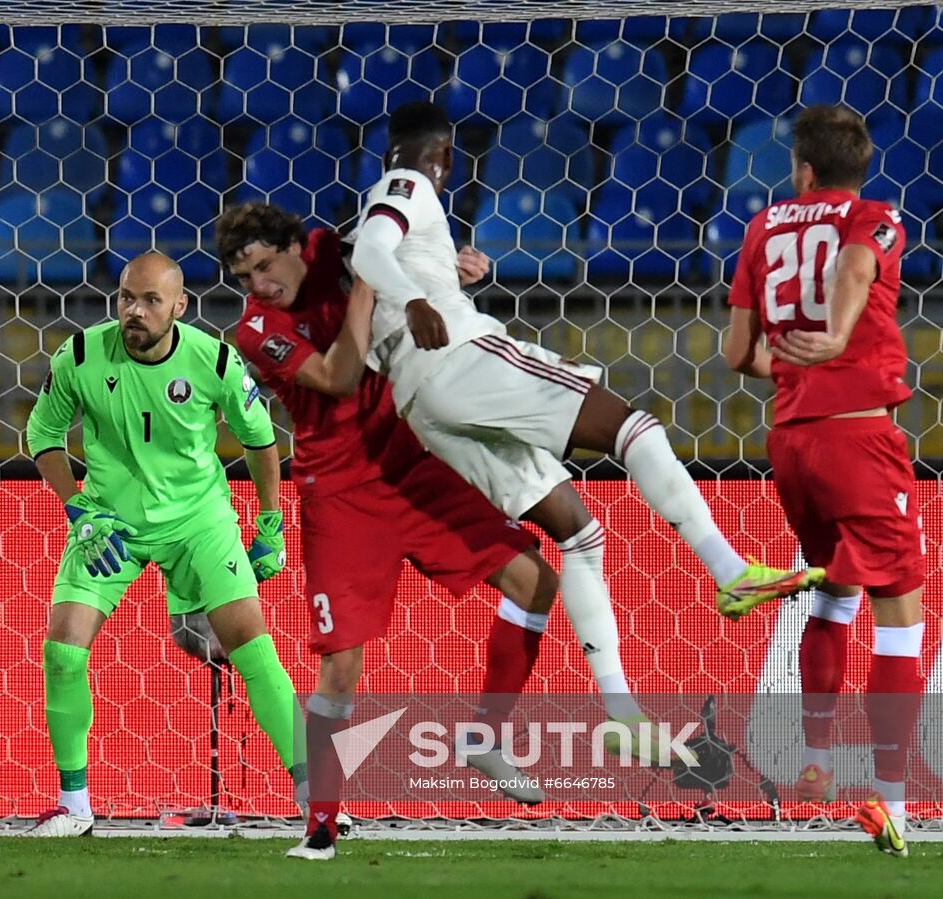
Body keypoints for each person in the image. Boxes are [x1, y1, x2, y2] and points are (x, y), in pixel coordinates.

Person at [347, 100, 822, 626]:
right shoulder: (407, 184)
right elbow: (370, 251)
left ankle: (621, 706)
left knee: (580, 536)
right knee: (635, 429)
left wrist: (441, 279)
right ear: (447, 154)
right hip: (460, 360)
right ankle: (729, 570)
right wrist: (418, 299)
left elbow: (371, 286)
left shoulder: (379, 204)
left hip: (420, 404)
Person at [218, 203, 559, 860]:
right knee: (343, 665)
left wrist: (445, 275)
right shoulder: (257, 330)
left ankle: (485, 738)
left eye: (265, 265)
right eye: (245, 276)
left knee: (534, 580)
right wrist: (375, 281)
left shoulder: (331, 247)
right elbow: (339, 375)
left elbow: (404, 246)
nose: (259, 284)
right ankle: (320, 824)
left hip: (412, 463)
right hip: (340, 492)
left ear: (295, 244)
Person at [23, 252, 301, 836]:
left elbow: (259, 440)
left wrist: (270, 523)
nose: (134, 311)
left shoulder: (215, 361)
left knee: (251, 645)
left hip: (198, 522)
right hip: (109, 525)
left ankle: (320, 797)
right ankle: (74, 808)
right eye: (127, 297)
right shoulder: (78, 356)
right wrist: (78, 509)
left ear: (180, 306)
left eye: (151, 300)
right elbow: (42, 434)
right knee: (62, 651)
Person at [723, 104, 924, 858]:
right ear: (858, 165)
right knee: (902, 612)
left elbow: (737, 352)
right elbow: (855, 262)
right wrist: (837, 339)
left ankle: (814, 756)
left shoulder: (760, 228)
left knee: (835, 593)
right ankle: (896, 801)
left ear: (802, 169)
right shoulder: (876, 217)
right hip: (858, 439)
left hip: (791, 443)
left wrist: (799, 365)